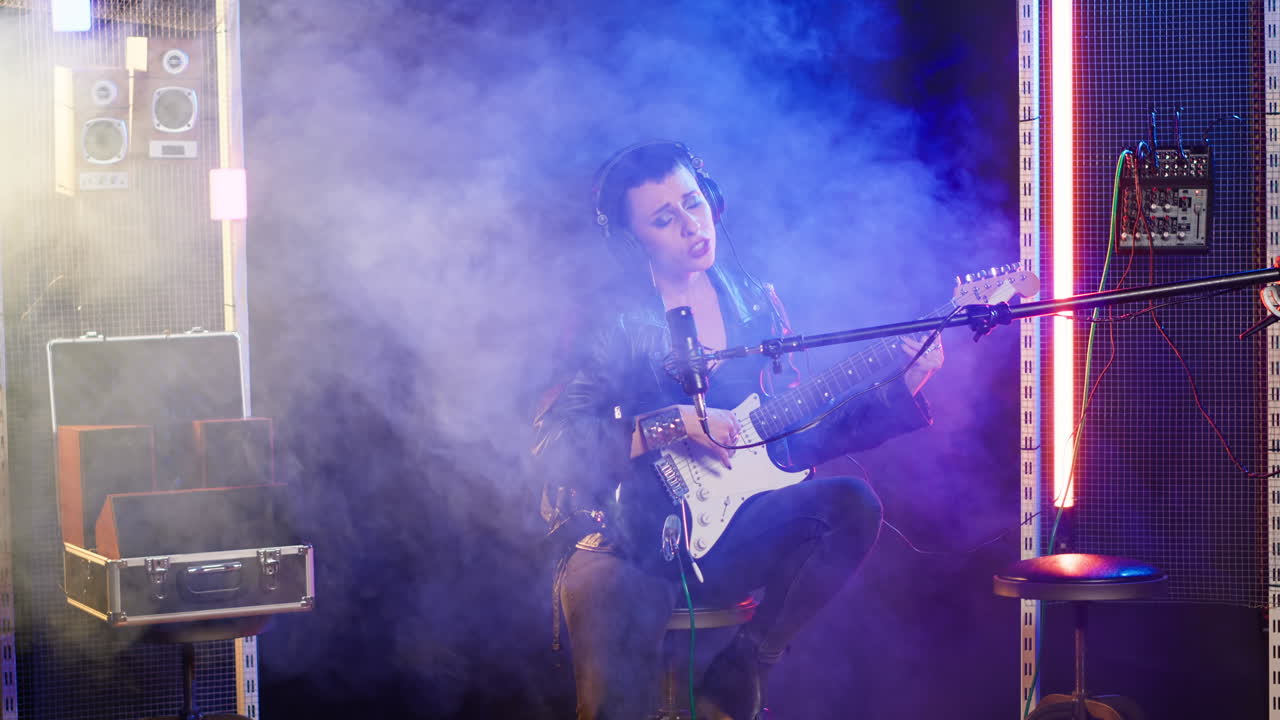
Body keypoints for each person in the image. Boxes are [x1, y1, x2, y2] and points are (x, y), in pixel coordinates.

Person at [532, 141, 942, 720]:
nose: (691, 225)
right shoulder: (612, 322)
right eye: (664, 218)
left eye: (694, 203)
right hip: (629, 540)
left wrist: (905, 387)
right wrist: (673, 423)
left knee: (852, 503)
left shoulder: (753, 300)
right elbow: (557, 448)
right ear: (631, 242)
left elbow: (792, 440)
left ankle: (750, 660)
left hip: (728, 533)